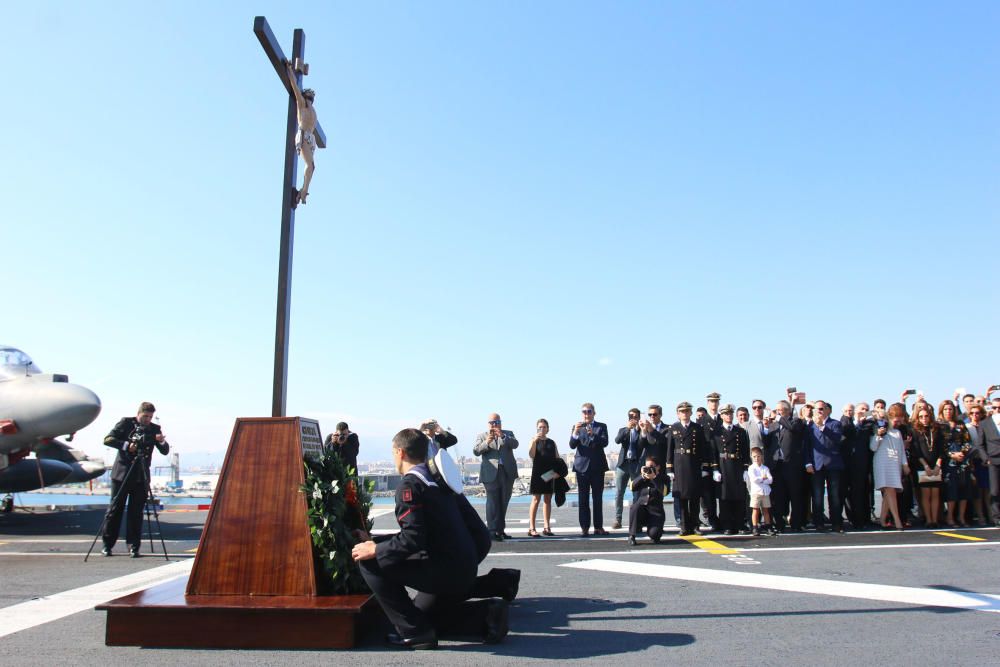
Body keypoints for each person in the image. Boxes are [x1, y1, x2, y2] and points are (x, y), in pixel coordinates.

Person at [351, 429, 511, 649]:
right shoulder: (440, 480)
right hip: (464, 566)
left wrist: (375, 551)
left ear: (399, 452)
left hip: (446, 572)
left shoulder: (409, 486)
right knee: (422, 613)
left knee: (368, 562)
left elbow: (413, 538)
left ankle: (414, 633)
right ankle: (487, 613)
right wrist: (376, 542)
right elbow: (467, 532)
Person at [101, 402, 169, 557]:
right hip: (122, 474)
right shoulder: (126, 423)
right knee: (115, 510)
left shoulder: (154, 429)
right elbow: (108, 439)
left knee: (136, 512)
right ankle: (107, 544)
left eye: (150, 417)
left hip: (141, 476)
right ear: (139, 413)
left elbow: (165, 451)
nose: (147, 419)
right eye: (145, 416)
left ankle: (133, 546)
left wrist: (161, 441)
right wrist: (126, 445)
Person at [473, 413, 519, 541]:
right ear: (488, 424)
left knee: (504, 501)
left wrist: (503, 436)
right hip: (490, 472)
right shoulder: (482, 436)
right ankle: (492, 531)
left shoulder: (508, 433)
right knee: (492, 502)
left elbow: (515, 444)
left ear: (501, 423)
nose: (494, 425)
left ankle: (500, 530)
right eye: (492, 423)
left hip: (507, 472)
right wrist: (486, 443)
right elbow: (476, 451)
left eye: (497, 422)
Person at [665, 402, 709, 536]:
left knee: (695, 497)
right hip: (679, 464)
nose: (684, 413)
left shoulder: (697, 428)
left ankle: (695, 525)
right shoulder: (673, 428)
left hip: (694, 464)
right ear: (678, 414)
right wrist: (669, 469)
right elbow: (669, 449)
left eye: (687, 411)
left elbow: (703, 448)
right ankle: (684, 526)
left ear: (690, 413)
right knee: (682, 498)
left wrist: (704, 466)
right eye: (682, 411)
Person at [803, 400, 847, 532]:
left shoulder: (835, 424)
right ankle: (819, 523)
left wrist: (823, 426)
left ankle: (836, 523)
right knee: (817, 496)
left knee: (834, 496)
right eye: (816, 409)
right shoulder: (810, 426)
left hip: (833, 464)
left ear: (827, 409)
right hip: (816, 465)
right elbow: (807, 446)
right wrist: (808, 463)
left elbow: (837, 439)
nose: (819, 411)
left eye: (821, 409)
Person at [767, 399, 808, 532]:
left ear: (788, 411)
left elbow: (793, 428)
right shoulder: (773, 425)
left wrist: (779, 418)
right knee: (779, 496)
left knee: (795, 495)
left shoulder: (796, 421)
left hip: (792, 465)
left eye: (781, 410)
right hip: (777, 465)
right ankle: (779, 523)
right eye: (777, 410)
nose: (778, 413)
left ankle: (796, 523)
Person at [569, 402, 610, 536]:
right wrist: (575, 432)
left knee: (598, 498)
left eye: (589, 411)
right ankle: (585, 527)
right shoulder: (577, 427)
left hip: (597, 467)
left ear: (594, 413)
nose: (586, 414)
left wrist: (593, 434)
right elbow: (572, 445)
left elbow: (604, 442)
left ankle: (598, 527)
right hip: (582, 468)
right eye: (584, 412)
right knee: (583, 499)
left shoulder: (601, 426)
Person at [871, 403, 910, 530]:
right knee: (890, 490)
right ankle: (897, 520)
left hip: (895, 464)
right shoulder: (879, 428)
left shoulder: (897, 433)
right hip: (882, 464)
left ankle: (883, 519)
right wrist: (878, 435)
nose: (898, 421)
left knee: (890, 492)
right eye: (896, 418)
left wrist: (905, 464)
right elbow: (872, 447)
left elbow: (902, 450)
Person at [284, 60, 318, 205]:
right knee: (310, 165)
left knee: (312, 167)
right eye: (309, 93)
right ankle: (302, 192)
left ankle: (303, 191)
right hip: (303, 135)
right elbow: (295, 87)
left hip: (311, 139)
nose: (311, 94)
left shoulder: (313, 111)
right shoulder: (302, 104)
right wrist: (289, 70)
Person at [713, 404, 750, 535]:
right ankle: (727, 525)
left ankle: (740, 524)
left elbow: (745, 451)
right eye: (726, 414)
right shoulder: (717, 432)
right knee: (725, 497)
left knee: (739, 497)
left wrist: (746, 468)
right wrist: (715, 469)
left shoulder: (740, 431)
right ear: (721, 416)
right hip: (724, 464)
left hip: (738, 464)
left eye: (730, 414)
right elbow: (714, 452)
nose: (728, 416)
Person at [939, 400, 974, 527]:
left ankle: (961, 517)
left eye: (950, 409)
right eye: (946, 409)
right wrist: (951, 455)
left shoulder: (960, 424)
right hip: (948, 462)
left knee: (964, 489)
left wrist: (962, 454)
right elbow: (939, 446)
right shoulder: (939, 425)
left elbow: (968, 441)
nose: (948, 411)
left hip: (963, 461)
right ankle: (950, 517)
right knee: (951, 490)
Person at [842, 402, 875, 530]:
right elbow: (849, 434)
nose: (864, 411)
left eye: (867, 410)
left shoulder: (870, 424)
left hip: (864, 463)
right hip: (849, 463)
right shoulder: (848, 422)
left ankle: (864, 519)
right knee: (851, 493)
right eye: (862, 409)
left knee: (863, 492)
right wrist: (858, 422)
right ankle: (854, 519)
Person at [910, 406, 943, 528]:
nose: (924, 418)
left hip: (936, 466)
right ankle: (928, 519)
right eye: (921, 416)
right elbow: (916, 451)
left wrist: (938, 465)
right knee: (925, 494)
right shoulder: (915, 431)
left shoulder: (936, 430)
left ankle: (935, 519)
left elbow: (941, 449)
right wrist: (926, 466)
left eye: (926, 416)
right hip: (922, 466)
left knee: (935, 494)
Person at [613, 408, 645, 530]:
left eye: (636, 416)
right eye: (631, 416)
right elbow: (617, 440)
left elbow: (643, 443)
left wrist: (640, 429)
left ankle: (636, 520)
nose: (634, 419)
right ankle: (618, 519)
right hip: (623, 464)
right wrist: (627, 429)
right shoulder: (623, 430)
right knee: (619, 493)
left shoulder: (641, 430)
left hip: (636, 464)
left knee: (636, 493)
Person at [528, 418, 560, 537]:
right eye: (540, 427)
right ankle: (532, 528)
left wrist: (557, 472)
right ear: (537, 428)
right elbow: (531, 455)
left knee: (547, 499)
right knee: (536, 499)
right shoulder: (533, 441)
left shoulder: (552, 442)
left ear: (548, 429)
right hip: (537, 473)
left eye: (544, 427)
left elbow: (557, 457)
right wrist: (534, 441)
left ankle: (547, 527)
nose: (542, 429)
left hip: (549, 473)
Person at [627, 455, 667, 545]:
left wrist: (654, 478)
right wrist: (642, 477)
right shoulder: (643, 478)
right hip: (642, 510)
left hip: (656, 512)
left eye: (651, 467)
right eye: (647, 467)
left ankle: (655, 530)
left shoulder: (664, 478)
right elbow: (632, 487)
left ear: (658, 467)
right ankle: (631, 536)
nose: (649, 469)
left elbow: (664, 492)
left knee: (655, 535)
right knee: (634, 507)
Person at [966, 405, 992, 525]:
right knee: (977, 491)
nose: (975, 415)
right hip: (973, 461)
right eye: (972, 413)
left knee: (987, 490)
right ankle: (980, 515)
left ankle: (990, 514)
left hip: (986, 461)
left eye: (977, 413)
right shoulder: (967, 428)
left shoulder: (987, 426)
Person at [745, 446, 776, 536]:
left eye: (758, 456)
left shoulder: (765, 468)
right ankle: (755, 527)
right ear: (751, 457)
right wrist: (763, 478)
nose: (757, 458)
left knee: (766, 510)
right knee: (755, 510)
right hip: (756, 492)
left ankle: (768, 526)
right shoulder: (751, 468)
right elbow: (754, 480)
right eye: (754, 456)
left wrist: (762, 479)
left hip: (765, 492)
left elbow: (770, 480)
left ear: (761, 456)